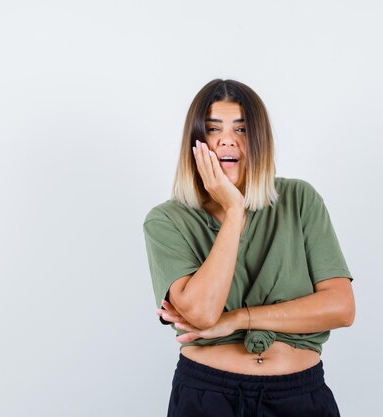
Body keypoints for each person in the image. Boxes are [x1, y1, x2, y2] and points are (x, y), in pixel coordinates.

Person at [143, 79, 355, 417]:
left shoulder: (299, 200)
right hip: (208, 397)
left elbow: (341, 308)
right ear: (196, 142)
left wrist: (239, 320)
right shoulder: (166, 220)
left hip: (299, 396)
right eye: (214, 129)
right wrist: (234, 211)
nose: (227, 139)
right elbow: (200, 314)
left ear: (259, 141)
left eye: (241, 129)